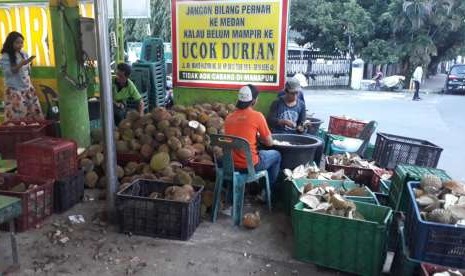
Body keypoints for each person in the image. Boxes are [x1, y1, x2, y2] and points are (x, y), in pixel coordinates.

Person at [224, 84, 282, 191]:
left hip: (231, 165)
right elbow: (269, 143)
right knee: (277, 155)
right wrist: (259, 137)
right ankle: (266, 193)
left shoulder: (229, 117)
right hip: (250, 166)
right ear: (253, 101)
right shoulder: (257, 116)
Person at [0, 31, 43, 121]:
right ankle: (18, 134)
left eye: (21, 43)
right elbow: (8, 73)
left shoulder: (24, 53)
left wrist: (28, 63)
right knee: (18, 114)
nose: (20, 45)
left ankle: (32, 133)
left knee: (33, 112)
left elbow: (27, 70)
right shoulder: (5, 56)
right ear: (10, 43)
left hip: (27, 88)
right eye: (17, 42)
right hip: (14, 89)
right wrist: (20, 64)